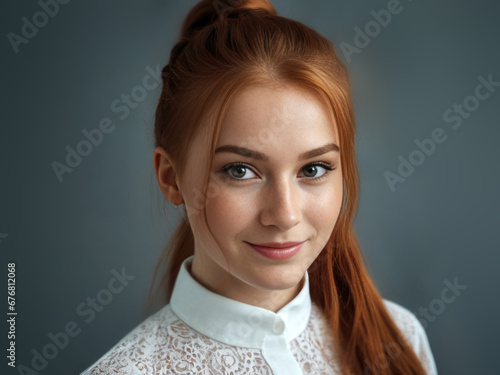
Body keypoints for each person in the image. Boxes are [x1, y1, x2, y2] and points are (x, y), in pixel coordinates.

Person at [80, 0, 438, 374]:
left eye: (313, 168)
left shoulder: (400, 339)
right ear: (171, 178)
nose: (284, 215)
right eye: (239, 171)